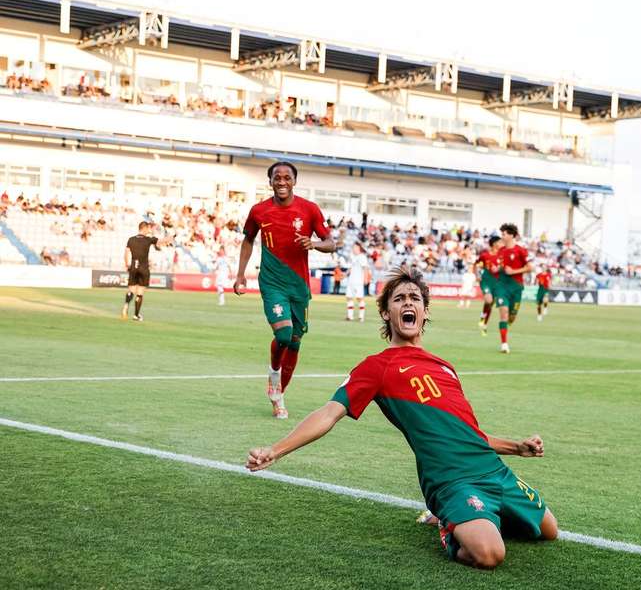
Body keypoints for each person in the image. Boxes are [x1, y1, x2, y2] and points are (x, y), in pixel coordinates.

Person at [245, 267, 558, 568]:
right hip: (451, 480)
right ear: (386, 313)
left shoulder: (444, 366)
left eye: (415, 299)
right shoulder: (376, 367)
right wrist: (276, 450)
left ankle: (475, 516)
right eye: (399, 299)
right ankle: (448, 521)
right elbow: (328, 414)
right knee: (489, 555)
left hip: (493, 470)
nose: (408, 302)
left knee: (549, 531)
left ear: (424, 312)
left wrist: (517, 447)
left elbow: (469, 434)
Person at [234, 161, 336, 419]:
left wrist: (313, 244)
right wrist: (240, 275)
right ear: (270, 182)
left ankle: (279, 396)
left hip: (299, 286)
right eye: (276, 178)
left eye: (286, 177)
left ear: (294, 181)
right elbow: (247, 241)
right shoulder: (259, 211)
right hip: (272, 282)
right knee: (283, 335)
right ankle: (274, 373)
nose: (281, 182)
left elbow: (331, 243)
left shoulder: (309, 209)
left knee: (295, 343)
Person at [494, 223, 532, 353]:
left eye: (504, 234)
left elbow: (529, 267)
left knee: (512, 317)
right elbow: (501, 266)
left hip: (516, 287)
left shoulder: (521, 250)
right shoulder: (501, 251)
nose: (502, 236)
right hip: (502, 286)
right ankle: (504, 344)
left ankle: (506, 327)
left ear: (511, 235)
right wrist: (496, 268)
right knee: (503, 313)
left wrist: (514, 271)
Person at [121, 221, 168, 322]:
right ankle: (136, 315)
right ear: (144, 228)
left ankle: (126, 306)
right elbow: (162, 242)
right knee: (140, 292)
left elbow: (126, 254)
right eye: (148, 228)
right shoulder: (148, 239)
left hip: (133, 267)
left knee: (131, 290)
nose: (149, 230)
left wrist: (127, 265)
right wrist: (172, 237)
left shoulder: (131, 239)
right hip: (144, 268)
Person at [475, 235, 501, 336]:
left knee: (490, 304)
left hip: (497, 283)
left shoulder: (501, 255)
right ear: (494, 243)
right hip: (486, 281)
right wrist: (477, 274)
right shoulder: (485, 256)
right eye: (499, 242)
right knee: (489, 300)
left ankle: (484, 322)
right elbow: (477, 265)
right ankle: (483, 319)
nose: (501, 244)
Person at [345, 242, 368, 322]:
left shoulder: (362, 257)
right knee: (349, 297)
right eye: (353, 247)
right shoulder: (353, 257)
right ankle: (350, 316)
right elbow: (351, 268)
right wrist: (345, 274)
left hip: (358, 281)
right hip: (351, 280)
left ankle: (361, 317)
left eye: (355, 247)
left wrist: (365, 278)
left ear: (359, 248)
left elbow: (365, 268)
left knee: (359, 298)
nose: (353, 249)